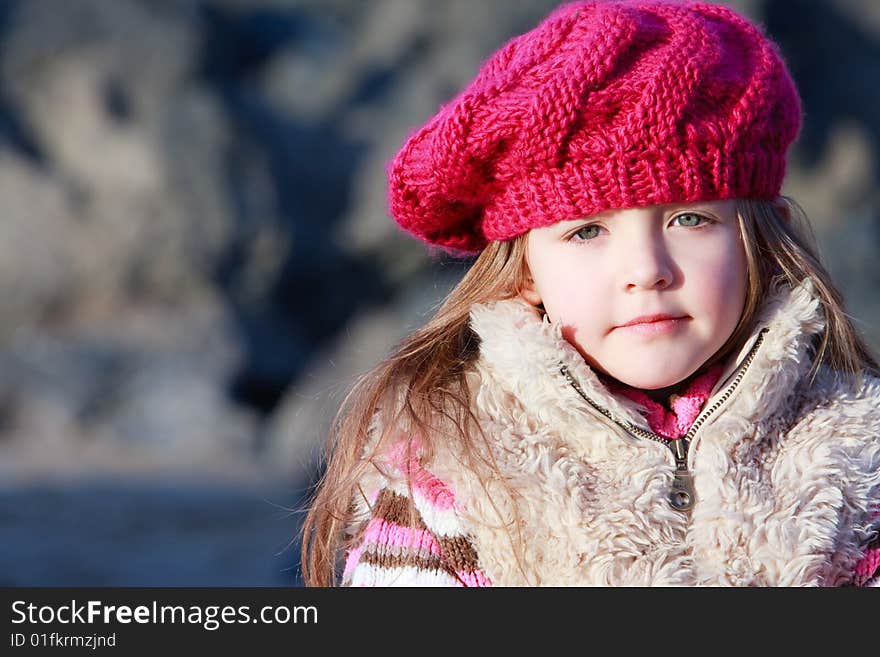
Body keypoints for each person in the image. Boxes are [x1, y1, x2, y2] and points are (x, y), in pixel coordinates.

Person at [300, 0, 880, 586]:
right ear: (526, 270)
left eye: (690, 220)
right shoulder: (453, 467)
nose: (646, 271)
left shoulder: (855, 451)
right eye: (587, 230)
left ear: (759, 236)